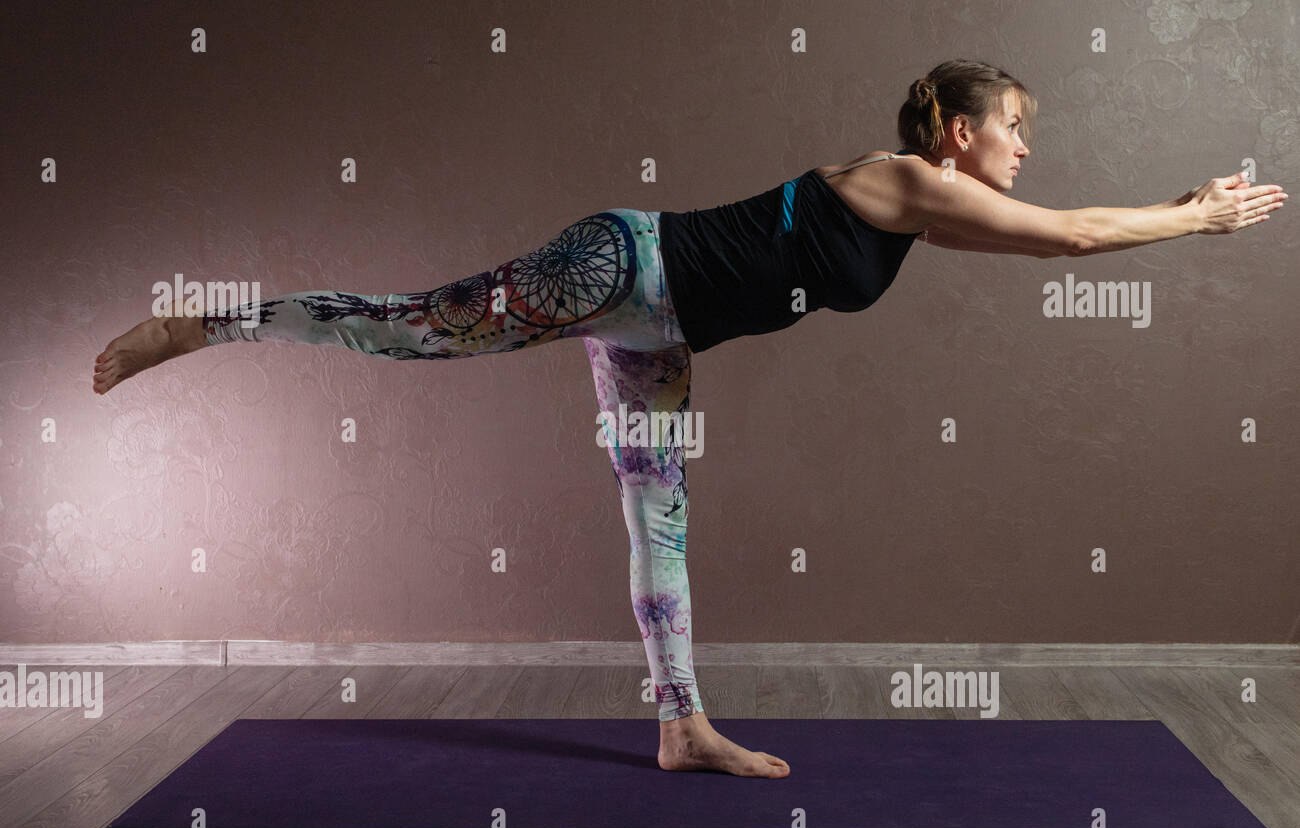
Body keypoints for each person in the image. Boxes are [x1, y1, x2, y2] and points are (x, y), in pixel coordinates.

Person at [92, 59, 1285, 779]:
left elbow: (1055, 237)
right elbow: (1073, 234)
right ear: (958, 132)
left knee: (657, 520)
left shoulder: (930, 211)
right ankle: (204, 321)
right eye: (1016, 127)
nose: (1027, 148)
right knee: (411, 328)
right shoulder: (908, 177)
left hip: (655, 330)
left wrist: (1174, 208)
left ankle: (682, 727)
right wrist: (1195, 222)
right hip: (619, 265)